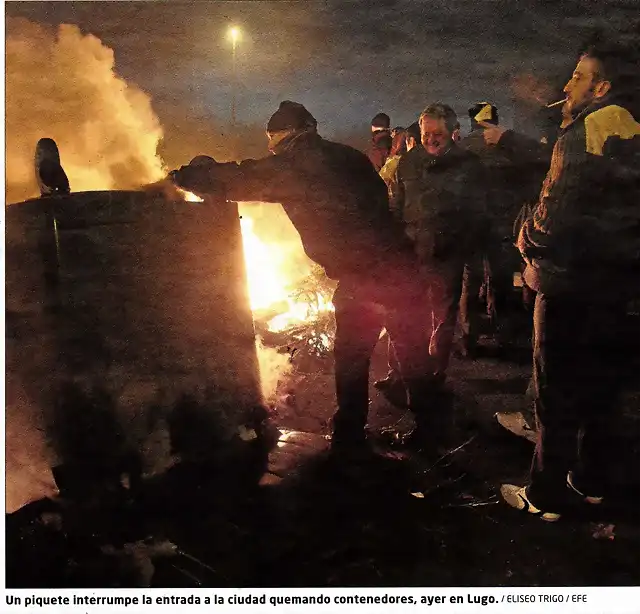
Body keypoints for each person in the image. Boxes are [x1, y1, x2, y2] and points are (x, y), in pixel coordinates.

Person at [170, 101, 442, 456]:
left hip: (365, 276)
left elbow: (244, 177)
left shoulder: (300, 164)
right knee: (412, 354)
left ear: (290, 135)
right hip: (399, 267)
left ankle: (349, 439)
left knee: (352, 359)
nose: (272, 149)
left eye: (274, 141)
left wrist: (183, 178)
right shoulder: (350, 158)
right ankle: (431, 430)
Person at [497, 41, 640, 521]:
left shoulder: (586, 131)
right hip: (618, 287)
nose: (566, 85)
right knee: (603, 388)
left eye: (578, 76)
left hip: (568, 285)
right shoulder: (633, 128)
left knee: (555, 391)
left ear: (601, 87)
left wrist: (523, 237)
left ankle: (545, 495)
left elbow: (551, 218)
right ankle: (593, 481)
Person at [389, 103, 489, 392]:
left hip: (448, 255)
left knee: (443, 319)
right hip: (411, 252)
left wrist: (465, 247)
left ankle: (436, 375)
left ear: (453, 132)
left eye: (438, 135)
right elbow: (396, 204)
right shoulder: (408, 163)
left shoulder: (469, 165)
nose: (430, 140)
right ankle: (400, 373)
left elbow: (479, 212)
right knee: (406, 314)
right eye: (425, 134)